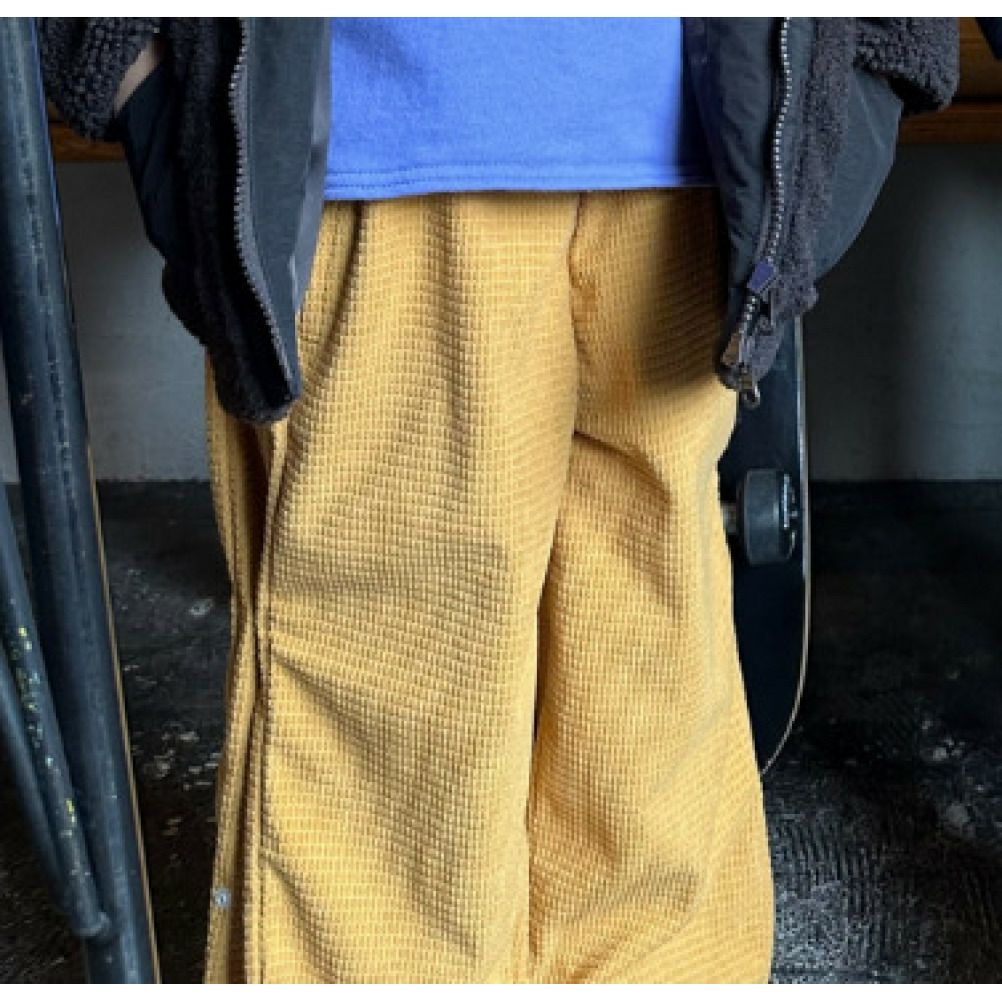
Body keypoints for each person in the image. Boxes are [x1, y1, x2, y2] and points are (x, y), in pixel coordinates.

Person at [39, 18, 959, 984]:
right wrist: (136, 71)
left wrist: (868, 67)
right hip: (379, 151)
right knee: (396, 745)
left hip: (700, 163)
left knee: (649, 711)